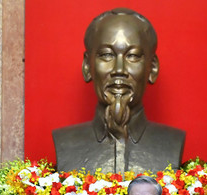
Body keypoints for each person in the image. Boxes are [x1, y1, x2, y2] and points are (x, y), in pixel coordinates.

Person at [52, 7, 185, 174]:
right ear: (87, 66)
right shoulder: (65, 142)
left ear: (152, 68)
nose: (119, 70)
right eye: (107, 55)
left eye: (133, 56)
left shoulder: (172, 142)